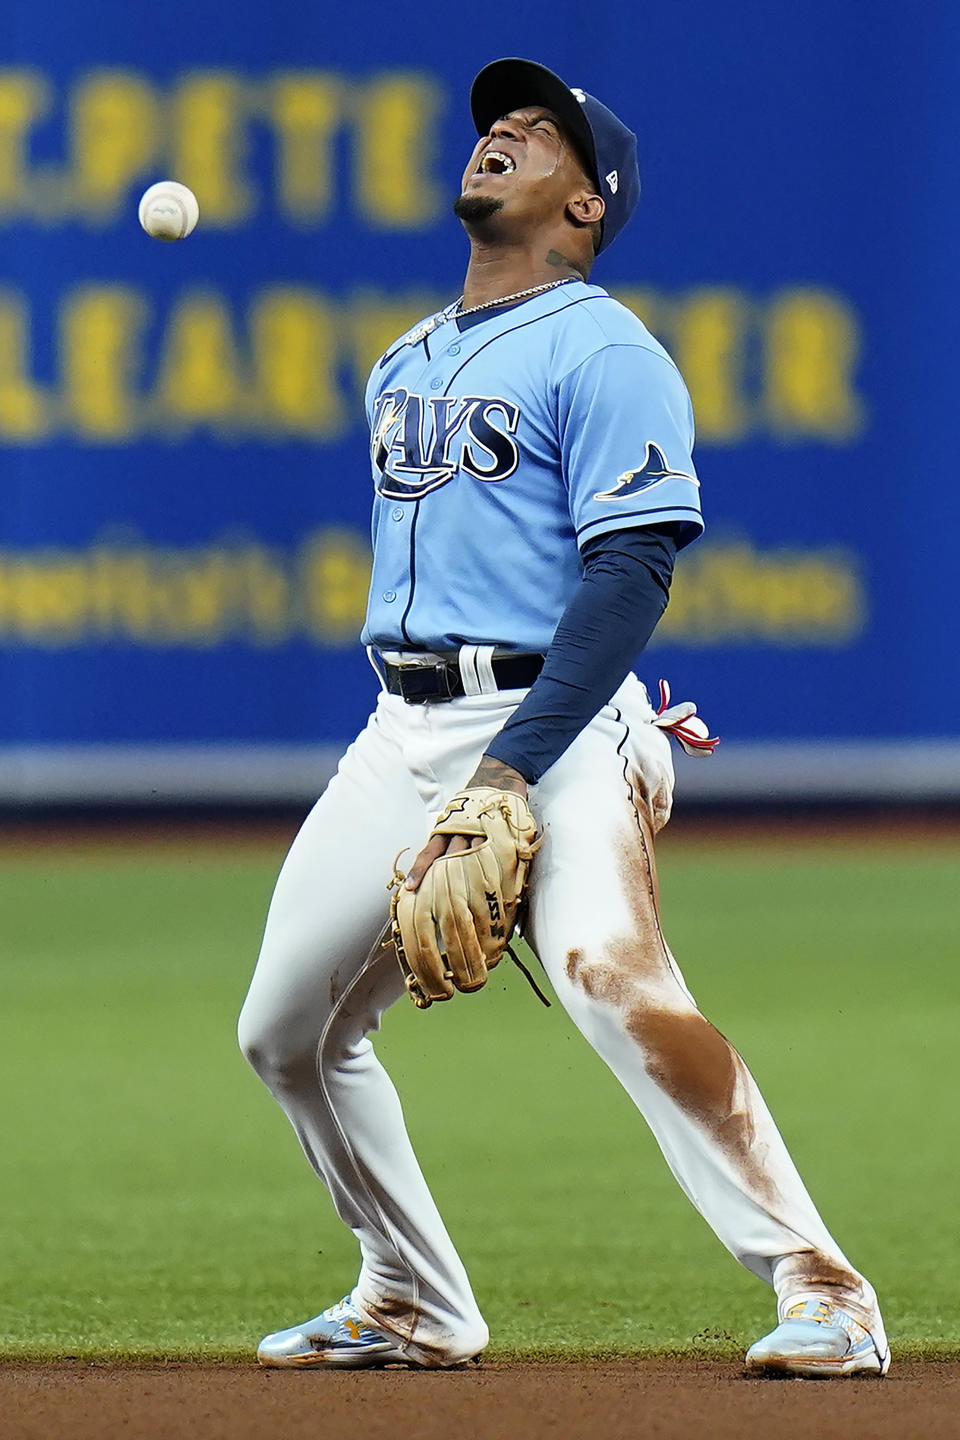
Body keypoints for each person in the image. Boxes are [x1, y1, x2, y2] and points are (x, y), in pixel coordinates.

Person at [238, 57, 888, 1379]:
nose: (502, 134)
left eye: (538, 136)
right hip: (402, 727)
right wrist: (450, 770)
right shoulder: (407, 357)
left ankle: (825, 1288)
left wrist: (513, 770)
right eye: (497, 123)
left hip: (550, 716)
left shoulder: (606, 347)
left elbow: (633, 571)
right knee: (284, 1031)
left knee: (609, 976)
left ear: (586, 209)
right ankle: (412, 1297)